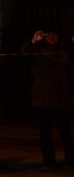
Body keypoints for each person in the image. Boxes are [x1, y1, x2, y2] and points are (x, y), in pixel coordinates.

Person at [29, 30, 74, 168]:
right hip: (43, 99)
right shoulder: (38, 50)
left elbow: (70, 73)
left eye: (55, 34)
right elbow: (25, 54)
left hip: (61, 98)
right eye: (49, 35)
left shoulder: (63, 51)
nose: (53, 37)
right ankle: (49, 161)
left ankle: (70, 160)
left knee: (65, 132)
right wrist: (33, 42)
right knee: (45, 133)